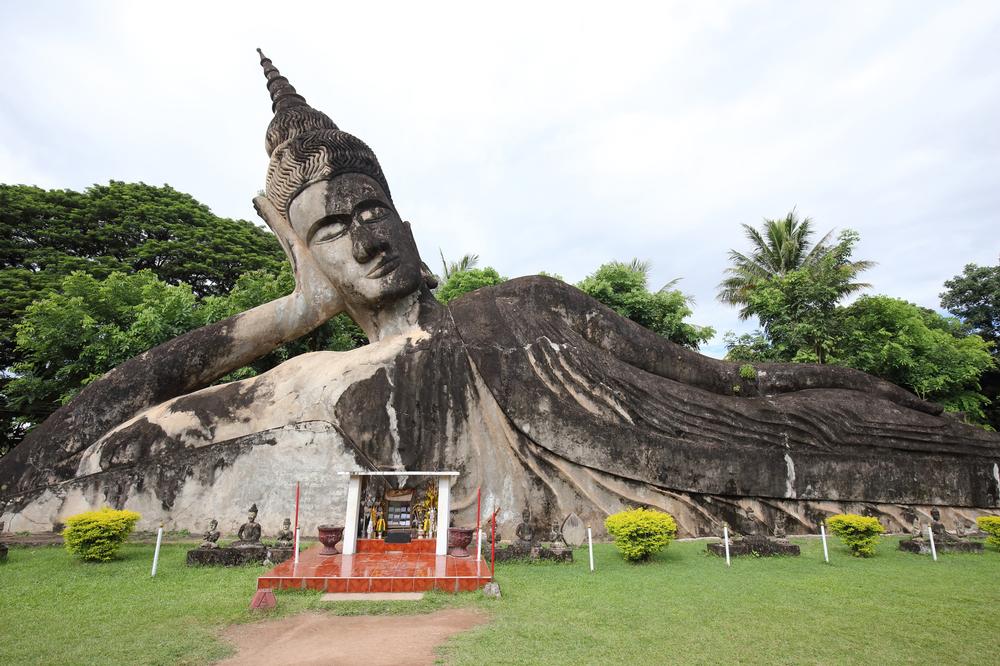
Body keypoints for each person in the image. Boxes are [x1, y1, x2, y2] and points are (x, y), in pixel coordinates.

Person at [1, 51, 998, 538]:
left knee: (851, 427)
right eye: (335, 229)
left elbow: (730, 384)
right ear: (297, 246)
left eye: (377, 208)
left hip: (731, 456)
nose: (372, 236)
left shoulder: (519, 309)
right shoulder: (297, 378)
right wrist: (293, 310)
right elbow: (44, 468)